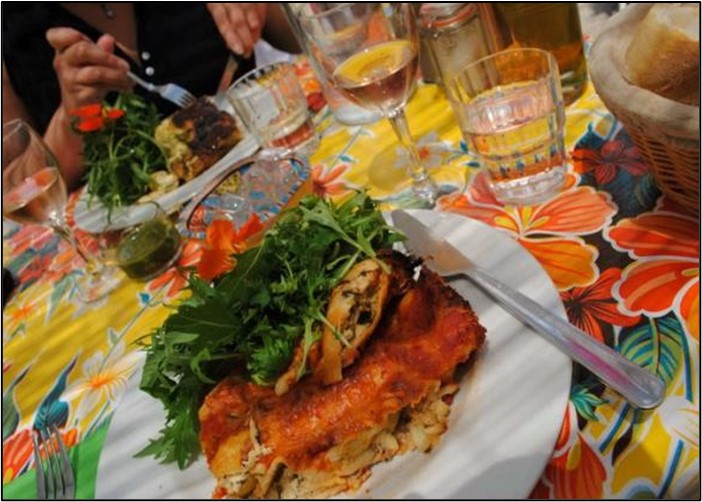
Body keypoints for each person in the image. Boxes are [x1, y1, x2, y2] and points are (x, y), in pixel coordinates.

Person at [2, 3, 300, 189]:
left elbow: (307, 31)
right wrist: (72, 120)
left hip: (278, 168)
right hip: (133, 257)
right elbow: (14, 190)